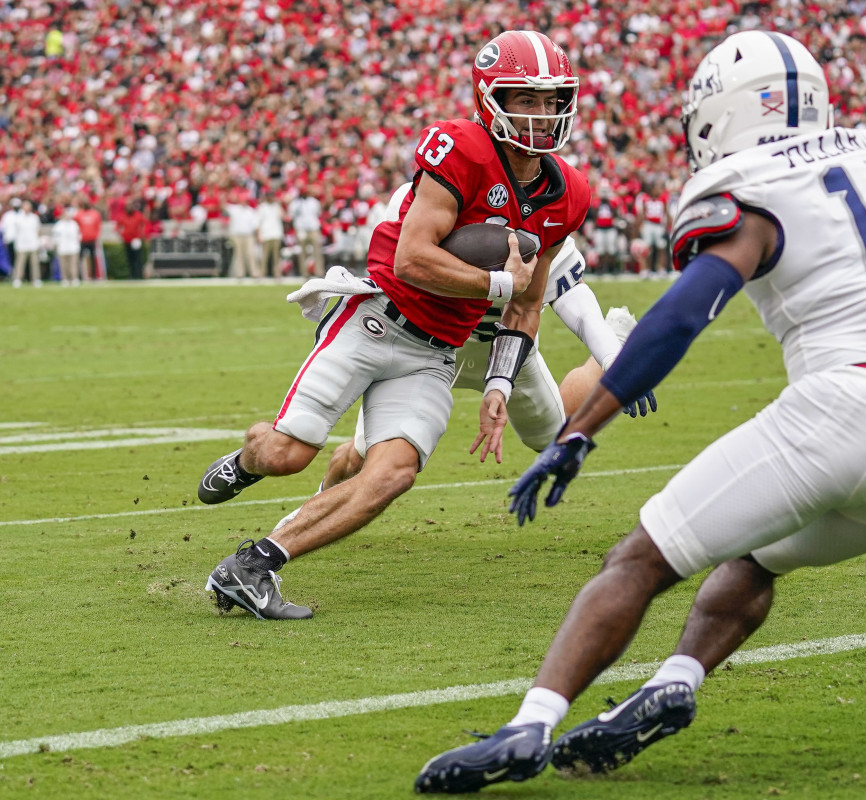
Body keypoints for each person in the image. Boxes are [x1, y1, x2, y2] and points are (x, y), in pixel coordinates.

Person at [415, 31, 866, 794]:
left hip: (846, 408)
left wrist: (579, 431)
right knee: (755, 555)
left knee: (637, 560)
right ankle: (675, 677)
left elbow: (681, 316)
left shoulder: (752, 179)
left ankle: (528, 726)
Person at [198, 30, 591, 621]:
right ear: (491, 98)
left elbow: (527, 308)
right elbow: (413, 258)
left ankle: (252, 567)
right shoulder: (461, 146)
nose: (540, 115)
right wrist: (498, 284)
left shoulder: (570, 193)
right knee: (285, 455)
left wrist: (498, 384)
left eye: (550, 100)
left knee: (393, 474)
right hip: (379, 320)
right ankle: (247, 457)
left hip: (438, 353)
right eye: (524, 99)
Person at [272, 226, 656, 531]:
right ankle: (313, 512)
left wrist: (613, 358)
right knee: (361, 453)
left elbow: (577, 303)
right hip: (427, 347)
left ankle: (615, 338)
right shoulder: (428, 204)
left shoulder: (544, 221)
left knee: (557, 437)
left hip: (511, 356)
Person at [288, 189, 324, 276]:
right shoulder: (295, 203)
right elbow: (291, 215)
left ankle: (319, 271)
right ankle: (304, 272)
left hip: (313, 228)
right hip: (301, 229)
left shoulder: (314, 202)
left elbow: (318, 213)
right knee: (302, 252)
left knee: (317, 251)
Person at [12, 200, 43, 287]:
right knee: (20, 263)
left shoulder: (34, 218)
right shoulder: (18, 218)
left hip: (33, 243)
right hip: (21, 244)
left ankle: (36, 279)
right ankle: (17, 279)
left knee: (34, 263)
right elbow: (15, 232)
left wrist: (38, 241)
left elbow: (38, 230)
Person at [257, 191, 285, 278]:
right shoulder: (261, 207)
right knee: (265, 256)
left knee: (276, 257)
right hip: (266, 235)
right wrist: (259, 235)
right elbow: (258, 222)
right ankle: (262, 273)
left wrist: (280, 205)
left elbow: (283, 216)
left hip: (276, 234)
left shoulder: (277, 207)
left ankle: (277, 274)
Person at [118, 200, 149, 280]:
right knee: (130, 259)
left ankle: (139, 275)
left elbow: (144, 224)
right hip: (127, 240)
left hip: (136, 240)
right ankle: (132, 275)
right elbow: (118, 227)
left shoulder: (138, 215)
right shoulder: (123, 216)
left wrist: (141, 234)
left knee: (137, 259)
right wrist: (122, 235)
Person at [75, 199, 104, 281]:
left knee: (93, 258)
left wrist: (96, 236)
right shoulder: (79, 214)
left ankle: (94, 275)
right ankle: (79, 276)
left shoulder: (95, 214)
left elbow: (98, 226)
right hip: (82, 240)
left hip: (92, 239)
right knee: (79, 258)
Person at [53, 207, 82, 285]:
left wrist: (77, 243)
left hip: (73, 247)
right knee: (63, 265)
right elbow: (56, 236)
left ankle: (74, 278)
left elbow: (78, 235)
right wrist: (57, 245)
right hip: (62, 248)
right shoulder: (58, 225)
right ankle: (65, 279)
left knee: (73, 265)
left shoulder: (74, 224)